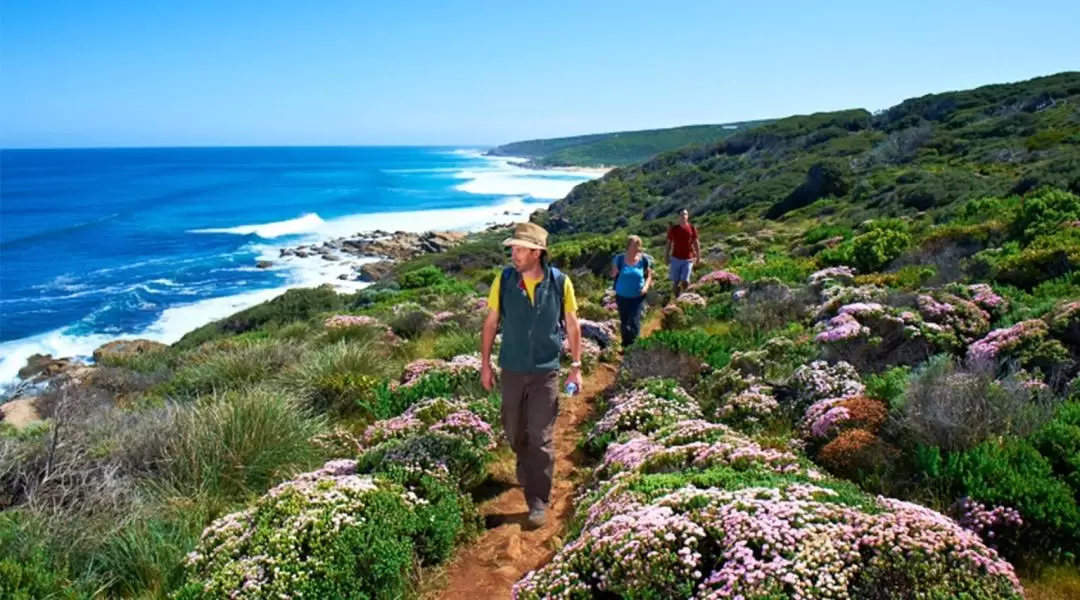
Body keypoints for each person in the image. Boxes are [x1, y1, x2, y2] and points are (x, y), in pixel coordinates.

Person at [481, 221, 582, 528]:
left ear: (538, 253)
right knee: (515, 432)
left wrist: (576, 367)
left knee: (540, 437)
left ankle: (538, 499)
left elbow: (572, 324)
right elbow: (490, 322)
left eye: (520, 249)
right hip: (511, 370)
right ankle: (524, 463)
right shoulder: (504, 280)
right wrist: (485, 364)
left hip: (545, 373)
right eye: (512, 248)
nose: (514, 254)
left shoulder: (560, 283)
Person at [610, 234, 653, 347]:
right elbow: (613, 274)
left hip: (637, 297)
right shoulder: (619, 259)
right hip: (622, 296)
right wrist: (614, 271)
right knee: (624, 321)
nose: (637, 248)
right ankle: (625, 344)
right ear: (628, 246)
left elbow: (649, 276)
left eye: (639, 246)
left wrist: (645, 287)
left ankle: (634, 346)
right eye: (635, 245)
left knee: (634, 321)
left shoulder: (643, 260)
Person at [666, 208, 700, 295]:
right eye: (682, 214)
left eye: (685, 214)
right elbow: (669, 243)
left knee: (685, 280)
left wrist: (698, 255)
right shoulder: (673, 229)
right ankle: (677, 299)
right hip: (675, 258)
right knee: (676, 282)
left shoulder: (692, 228)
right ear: (678, 217)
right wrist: (666, 256)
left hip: (688, 258)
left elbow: (696, 242)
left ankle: (687, 297)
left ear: (687, 216)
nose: (684, 216)